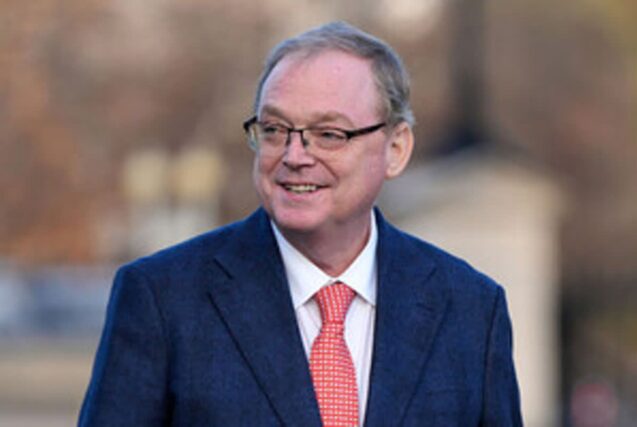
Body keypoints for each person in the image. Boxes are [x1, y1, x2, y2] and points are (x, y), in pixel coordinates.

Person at [79, 21, 522, 426]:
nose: (294, 156)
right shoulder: (163, 299)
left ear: (396, 149)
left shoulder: (470, 310)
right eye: (274, 130)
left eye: (329, 134)